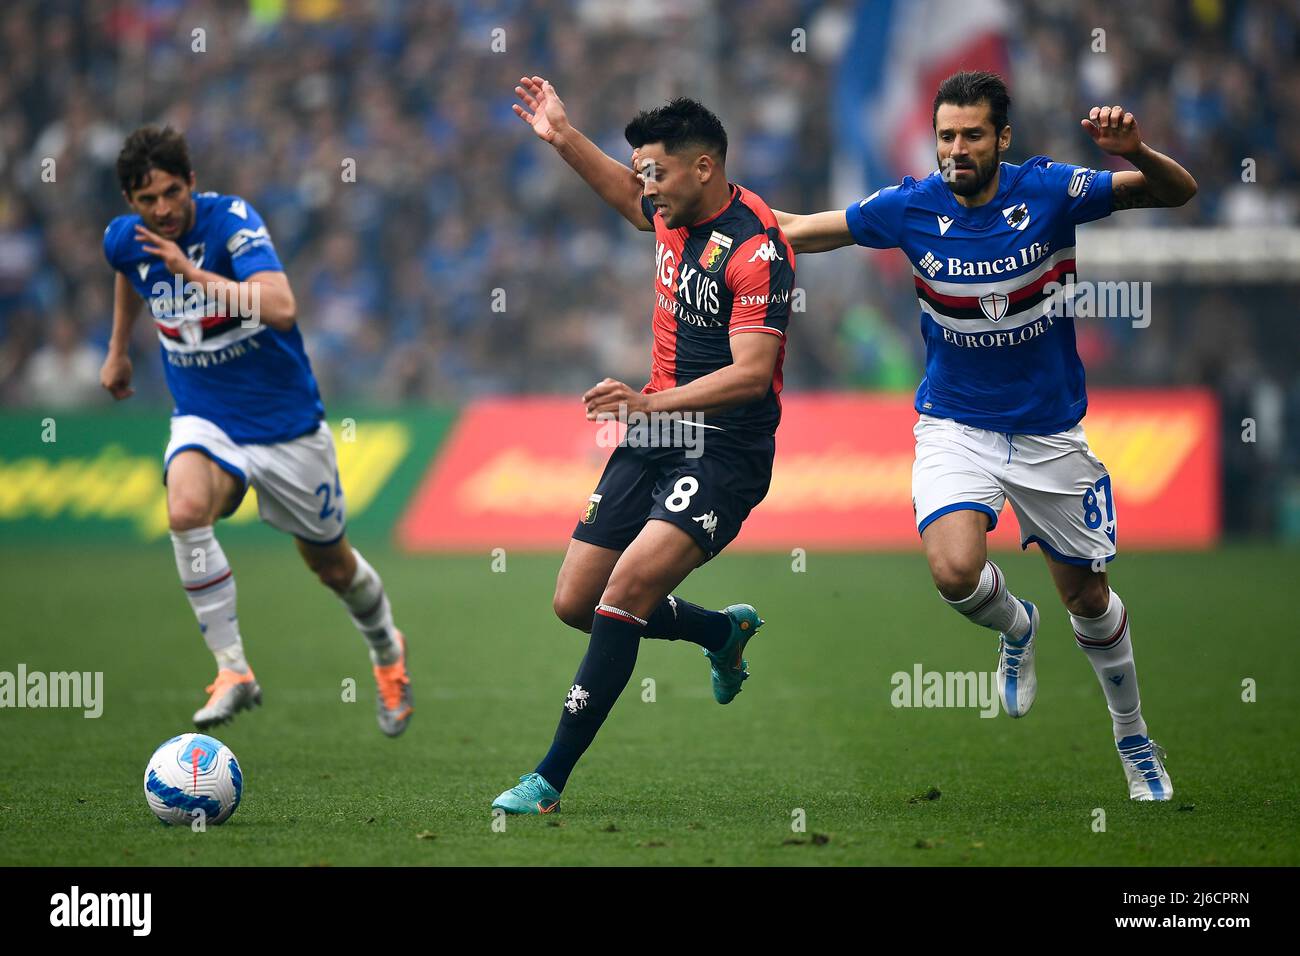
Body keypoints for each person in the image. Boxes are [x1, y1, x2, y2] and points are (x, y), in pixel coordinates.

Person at [775, 71, 1197, 801]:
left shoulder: (1051, 190)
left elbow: (1175, 192)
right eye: (946, 136)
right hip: (954, 424)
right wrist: (705, 218)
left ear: (1001, 138)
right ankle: (1015, 625)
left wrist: (1138, 151)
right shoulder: (911, 206)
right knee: (952, 571)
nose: (956, 150)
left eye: (972, 135)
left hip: (1047, 431)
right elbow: (801, 232)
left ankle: (1134, 739)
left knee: (1090, 599)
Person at [491, 79, 795, 813]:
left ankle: (549, 780)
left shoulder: (756, 251)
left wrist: (647, 399)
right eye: (642, 171)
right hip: (654, 431)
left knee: (624, 592)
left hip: (724, 449)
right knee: (576, 601)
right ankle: (719, 631)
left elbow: (752, 376)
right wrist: (562, 134)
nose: (644, 186)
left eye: (654, 172)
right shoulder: (669, 210)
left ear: (702, 168)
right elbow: (629, 204)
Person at [99, 126, 413, 735]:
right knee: (185, 509)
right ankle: (233, 669)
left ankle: (386, 652)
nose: (162, 210)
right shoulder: (127, 240)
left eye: (170, 193)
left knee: (333, 567)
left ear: (191, 182)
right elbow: (127, 273)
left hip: (285, 425)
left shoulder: (232, 223)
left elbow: (281, 307)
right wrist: (118, 350)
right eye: (146, 201)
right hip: (205, 417)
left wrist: (191, 273)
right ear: (129, 203)